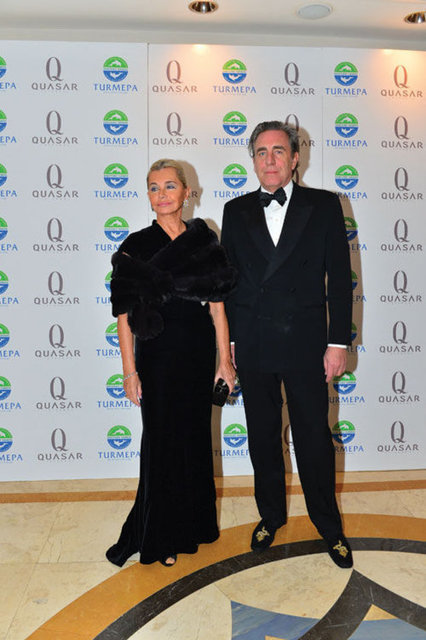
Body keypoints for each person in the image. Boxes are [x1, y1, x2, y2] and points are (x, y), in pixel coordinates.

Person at [221, 121, 354, 568]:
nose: (270, 160)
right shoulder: (235, 210)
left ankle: (329, 525)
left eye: (279, 151)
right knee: (262, 437)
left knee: (314, 437)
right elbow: (230, 284)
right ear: (253, 160)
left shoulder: (325, 205)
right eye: (261, 152)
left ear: (296, 158)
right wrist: (230, 342)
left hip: (307, 343)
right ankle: (271, 515)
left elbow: (340, 279)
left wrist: (338, 342)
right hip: (254, 342)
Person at [106, 159, 236, 567]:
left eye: (169, 186)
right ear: (148, 196)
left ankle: (195, 526)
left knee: (195, 439)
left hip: (197, 354)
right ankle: (162, 538)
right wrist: (129, 371)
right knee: (161, 444)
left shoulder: (203, 239)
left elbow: (217, 306)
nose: (161, 194)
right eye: (153, 187)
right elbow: (123, 315)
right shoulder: (135, 244)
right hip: (157, 357)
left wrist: (225, 361)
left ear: (186, 192)